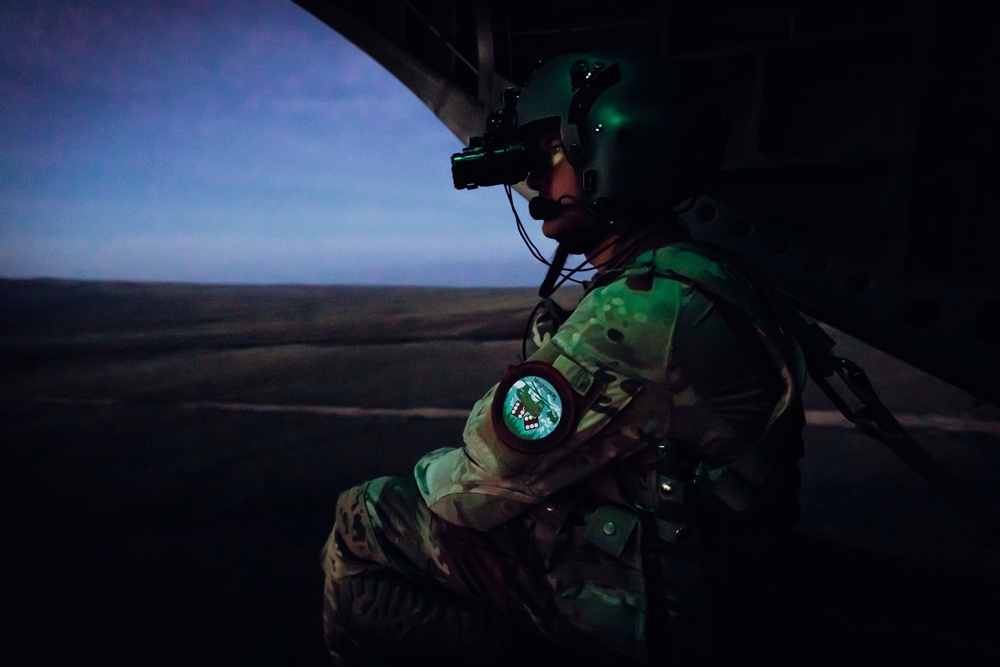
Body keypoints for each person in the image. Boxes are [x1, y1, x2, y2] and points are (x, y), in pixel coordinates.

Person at [320, 48, 808, 666]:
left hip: (667, 615)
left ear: (615, 154)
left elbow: (474, 486)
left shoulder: (644, 312)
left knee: (364, 516)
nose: (533, 179)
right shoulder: (707, 278)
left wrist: (438, 468)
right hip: (712, 572)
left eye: (549, 150)